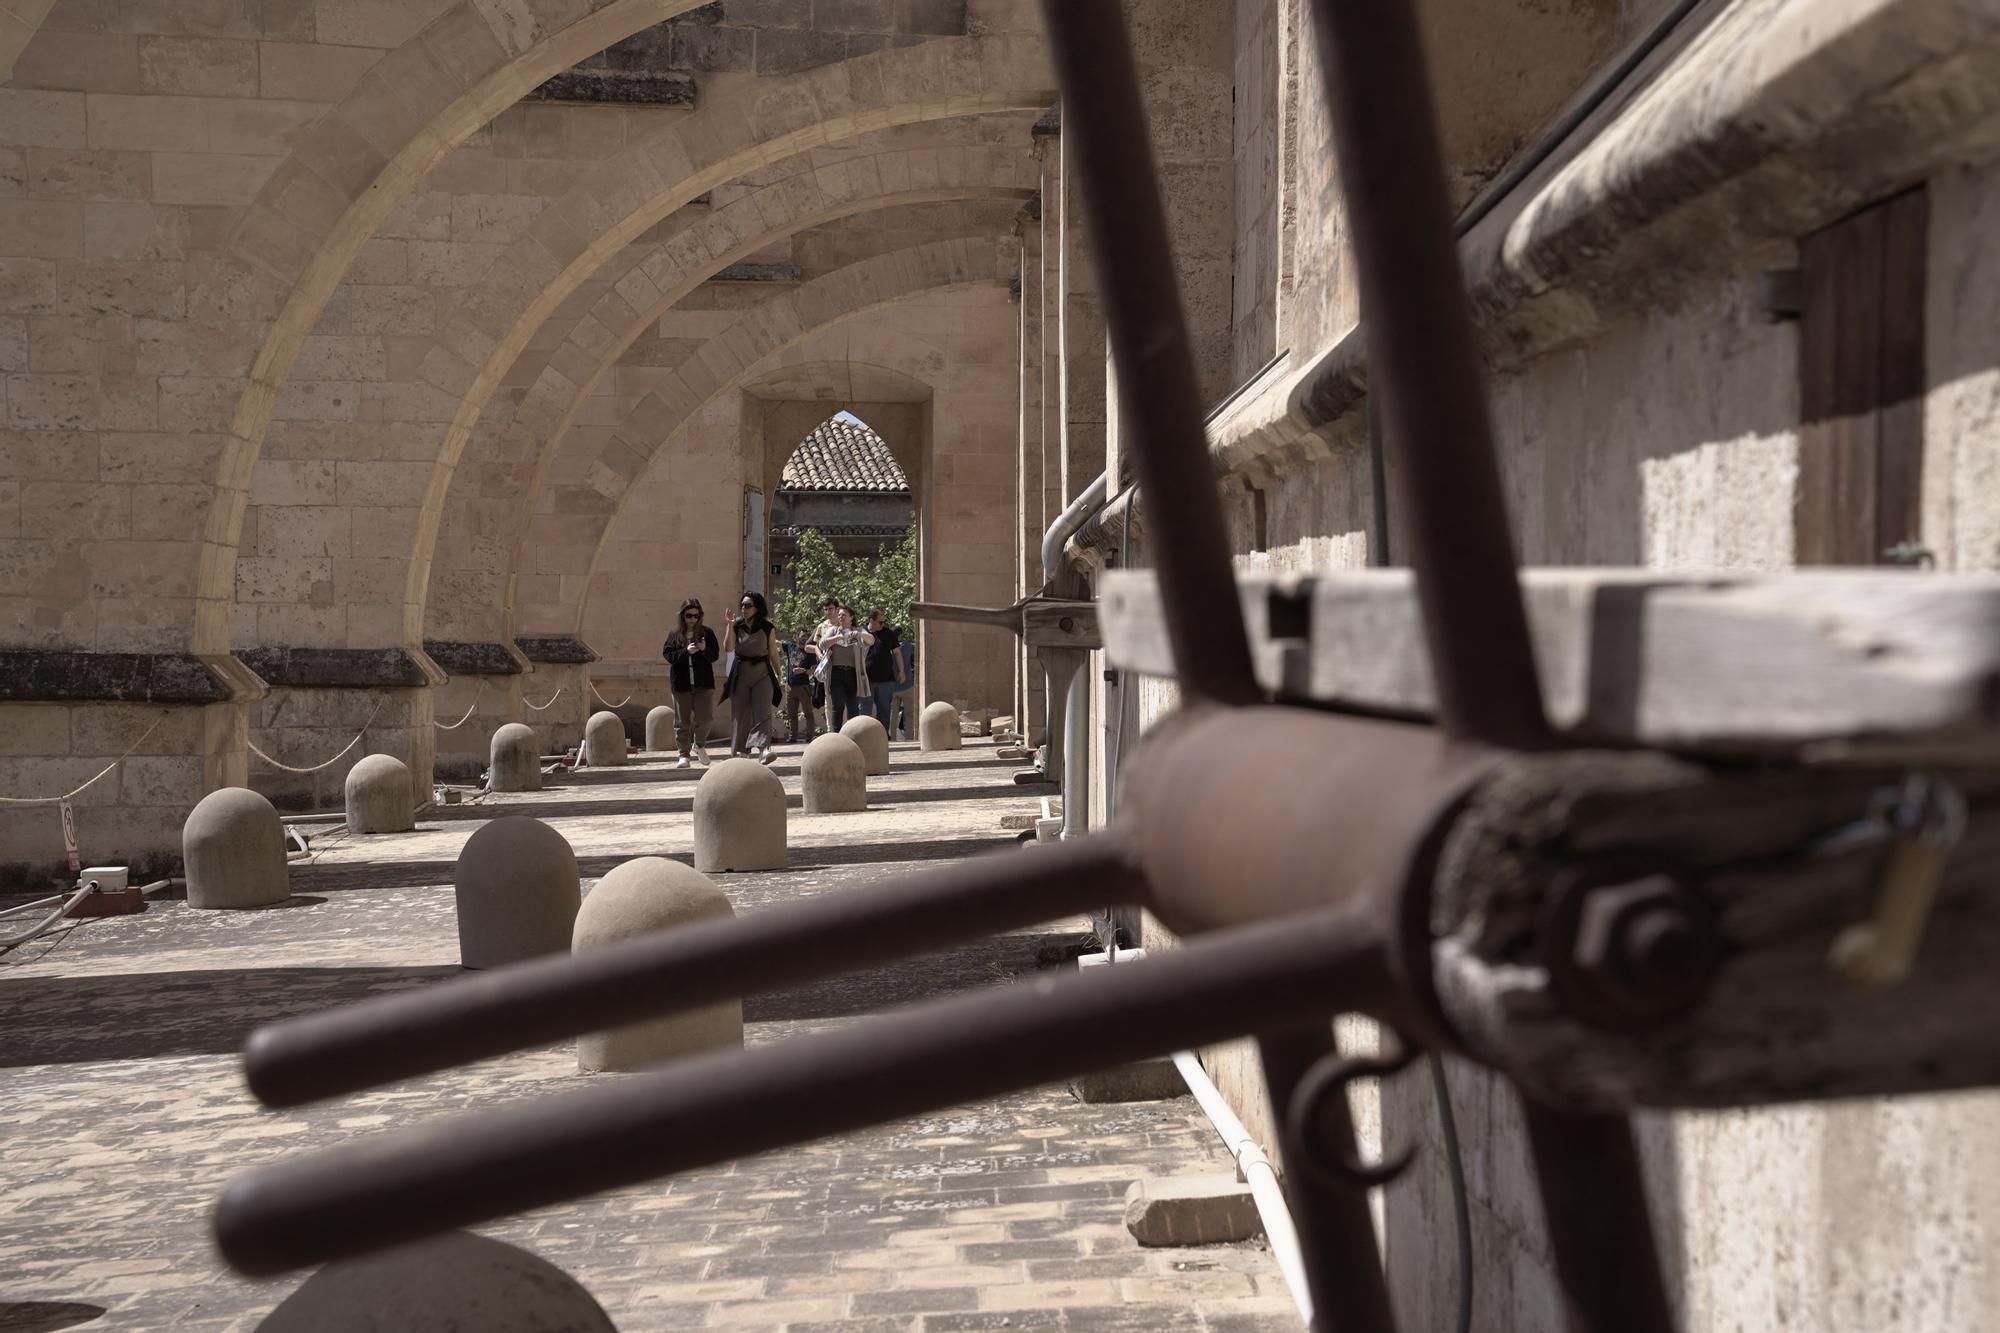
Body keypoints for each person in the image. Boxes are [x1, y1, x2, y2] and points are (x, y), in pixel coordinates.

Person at [720, 591, 780, 763]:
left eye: (748, 605)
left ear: (757, 607)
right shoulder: (736, 625)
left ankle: (764, 750)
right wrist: (730, 626)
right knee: (741, 713)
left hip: (762, 672)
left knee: (763, 711)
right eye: (742, 605)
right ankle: (742, 751)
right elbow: (729, 647)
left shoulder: (767, 627)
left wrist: (779, 672)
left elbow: (773, 652)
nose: (743, 609)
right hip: (741, 672)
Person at [661, 597, 719, 769]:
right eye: (689, 616)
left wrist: (703, 649)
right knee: (682, 722)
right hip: (681, 684)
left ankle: (699, 745)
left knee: (706, 718)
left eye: (696, 615)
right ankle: (683, 755)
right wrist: (685, 652)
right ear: (682, 616)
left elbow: (714, 655)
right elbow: (668, 656)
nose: (693, 619)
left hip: (704, 684)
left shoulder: (707, 633)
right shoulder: (674, 635)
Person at [817, 603, 872, 731]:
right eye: (839, 615)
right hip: (836, 673)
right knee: (838, 705)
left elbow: (871, 640)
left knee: (853, 707)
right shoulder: (834, 630)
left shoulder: (858, 630)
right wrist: (837, 638)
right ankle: (837, 735)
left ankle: (852, 735)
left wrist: (859, 634)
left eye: (844, 615)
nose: (840, 617)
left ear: (851, 617)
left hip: (853, 674)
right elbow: (822, 644)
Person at [862, 608, 904, 724]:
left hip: (886, 680)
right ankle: (864, 737)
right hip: (866, 679)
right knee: (865, 712)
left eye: (884, 622)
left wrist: (901, 671)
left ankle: (883, 737)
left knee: (884, 711)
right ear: (871, 620)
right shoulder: (861, 632)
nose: (883, 625)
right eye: (880, 622)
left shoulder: (888, 633)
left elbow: (897, 653)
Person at [783, 626, 821, 743]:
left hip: (803, 686)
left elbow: (814, 670)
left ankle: (809, 737)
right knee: (792, 714)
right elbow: (775, 643)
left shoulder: (809, 652)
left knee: (808, 713)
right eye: (803, 636)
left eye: (807, 636)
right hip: (790, 686)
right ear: (797, 637)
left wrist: (803, 670)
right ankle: (792, 736)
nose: (805, 638)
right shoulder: (790, 647)